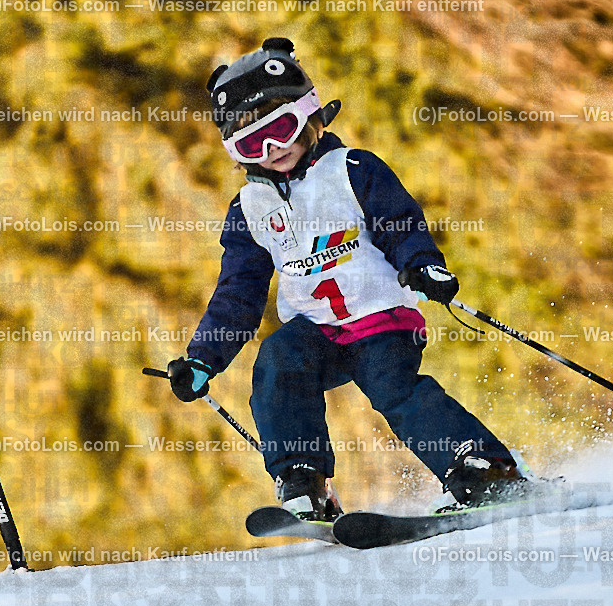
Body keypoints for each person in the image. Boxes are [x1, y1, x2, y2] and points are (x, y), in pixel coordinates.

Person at [167, 37, 524, 522]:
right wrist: (203, 358)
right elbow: (238, 293)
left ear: (308, 116)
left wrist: (423, 265)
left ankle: (482, 468)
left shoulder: (352, 170)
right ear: (237, 152)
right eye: (253, 144)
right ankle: (304, 482)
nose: (273, 150)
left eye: (282, 130)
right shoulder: (248, 209)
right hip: (318, 330)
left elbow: (400, 224)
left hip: (382, 318)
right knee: (278, 361)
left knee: (393, 388)